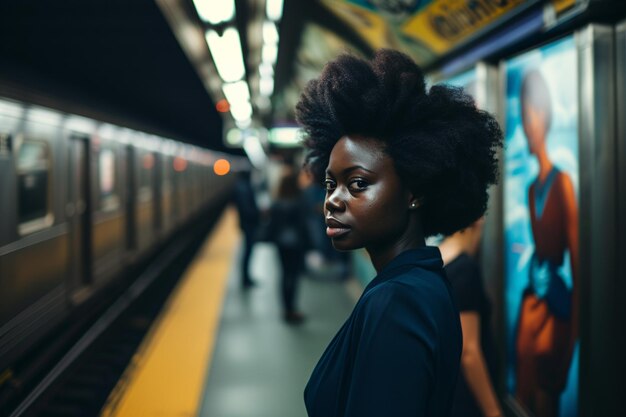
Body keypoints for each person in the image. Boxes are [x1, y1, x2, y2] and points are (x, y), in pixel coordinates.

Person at [296, 49, 503, 417]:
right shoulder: (423, 282)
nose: (332, 201)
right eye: (331, 185)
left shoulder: (397, 302)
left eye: (357, 184)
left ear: (414, 192)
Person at [514, 69, 579, 417]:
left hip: (556, 299)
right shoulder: (530, 189)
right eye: (525, 115)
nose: (530, 123)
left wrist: (575, 334)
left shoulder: (563, 184)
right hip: (533, 296)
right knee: (525, 386)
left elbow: (579, 262)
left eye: (535, 113)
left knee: (547, 393)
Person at [439, 218, 503, 417]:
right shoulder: (465, 269)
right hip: (466, 398)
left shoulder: (437, 259)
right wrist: (493, 412)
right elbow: (469, 352)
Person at [267, 165, 309, 324]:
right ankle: (292, 309)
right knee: (294, 275)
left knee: (284, 275)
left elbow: (272, 225)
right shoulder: (300, 201)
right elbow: (303, 225)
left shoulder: (277, 203)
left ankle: (285, 308)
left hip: (281, 244)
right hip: (296, 244)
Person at [232, 170, 260, 288]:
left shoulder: (240, 186)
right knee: (248, 251)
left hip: (245, 223)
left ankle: (246, 277)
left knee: (248, 250)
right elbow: (247, 209)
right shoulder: (244, 188)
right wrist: (257, 214)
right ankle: (246, 279)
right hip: (249, 223)